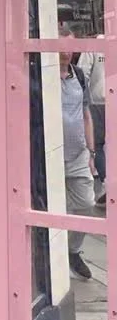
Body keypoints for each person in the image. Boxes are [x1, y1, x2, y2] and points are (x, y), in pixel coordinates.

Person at [59, 24, 97, 280]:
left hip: (79, 155)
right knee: (54, 210)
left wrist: (91, 153)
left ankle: (72, 251)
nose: (67, 52)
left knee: (87, 205)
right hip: (50, 157)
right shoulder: (41, 76)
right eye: (62, 47)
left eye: (71, 47)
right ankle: (51, 257)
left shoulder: (79, 75)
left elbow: (86, 114)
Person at [77, 41, 106, 208]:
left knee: (98, 144)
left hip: (98, 102)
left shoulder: (94, 46)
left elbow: (83, 73)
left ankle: (106, 182)